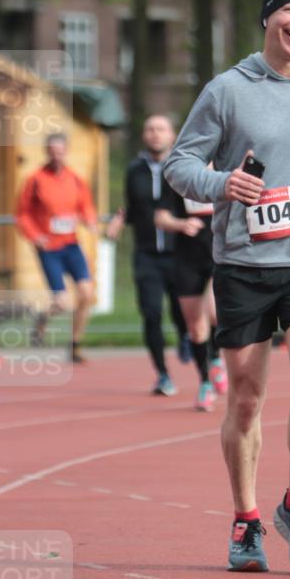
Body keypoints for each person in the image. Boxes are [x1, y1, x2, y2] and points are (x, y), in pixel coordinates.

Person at [165, 0, 290, 573]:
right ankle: (246, 521)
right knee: (246, 401)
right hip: (245, 264)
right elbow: (179, 164)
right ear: (267, 17)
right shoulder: (227, 90)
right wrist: (224, 184)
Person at [106, 115, 191, 396]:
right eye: (150, 129)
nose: (155, 134)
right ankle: (163, 374)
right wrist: (120, 220)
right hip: (146, 255)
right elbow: (134, 207)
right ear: (144, 136)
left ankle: (186, 337)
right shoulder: (134, 170)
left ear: (173, 135)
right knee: (151, 313)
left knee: (182, 312)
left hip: (180, 252)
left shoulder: (183, 169)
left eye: (161, 129)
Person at [15, 132, 97, 364]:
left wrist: (89, 220)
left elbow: (85, 205)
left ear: (66, 151)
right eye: (52, 151)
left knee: (86, 294)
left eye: (60, 151)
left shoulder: (75, 179)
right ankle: (42, 319)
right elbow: (22, 214)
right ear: (46, 152)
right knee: (61, 302)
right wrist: (34, 235)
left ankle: (75, 344)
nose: (56, 155)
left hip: (71, 244)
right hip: (49, 247)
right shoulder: (35, 179)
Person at [154, 184, 228, 412]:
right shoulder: (180, 175)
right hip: (188, 260)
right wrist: (181, 224)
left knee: (215, 311)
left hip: (221, 254)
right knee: (196, 328)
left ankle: (215, 355)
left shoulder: (226, 169)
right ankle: (205, 381)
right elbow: (160, 217)